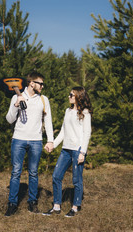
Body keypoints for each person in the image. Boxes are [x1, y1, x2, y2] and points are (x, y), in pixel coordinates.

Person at [4, 72, 54, 216]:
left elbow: (48, 121)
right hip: (18, 140)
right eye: (40, 83)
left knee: (33, 173)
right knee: (16, 172)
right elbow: (9, 119)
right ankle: (12, 204)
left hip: (36, 141)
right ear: (32, 83)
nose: (42, 86)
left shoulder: (44, 100)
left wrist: (50, 140)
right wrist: (16, 105)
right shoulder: (16, 96)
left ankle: (32, 202)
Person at [43, 87, 92, 217]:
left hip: (77, 151)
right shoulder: (68, 111)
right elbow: (63, 132)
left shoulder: (85, 113)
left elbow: (87, 134)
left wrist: (83, 152)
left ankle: (75, 207)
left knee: (76, 180)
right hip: (65, 150)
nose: (69, 96)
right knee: (56, 176)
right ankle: (56, 206)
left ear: (78, 97)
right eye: (69, 94)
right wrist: (53, 144)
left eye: (71, 95)